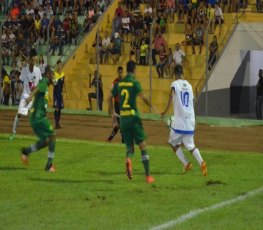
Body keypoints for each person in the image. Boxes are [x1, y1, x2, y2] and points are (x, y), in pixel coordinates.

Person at [108, 61, 155, 183]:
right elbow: (143, 97)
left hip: (123, 120)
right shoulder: (134, 83)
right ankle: (148, 176)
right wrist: (152, 106)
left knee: (130, 148)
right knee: (142, 146)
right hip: (133, 119)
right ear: (134, 70)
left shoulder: (119, 83)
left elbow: (109, 97)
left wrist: (112, 113)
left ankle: (128, 160)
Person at [161, 65, 207, 176]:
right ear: (182, 73)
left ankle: (186, 164)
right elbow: (191, 103)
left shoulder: (175, 84)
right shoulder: (190, 86)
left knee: (172, 143)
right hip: (190, 120)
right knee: (191, 146)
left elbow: (171, 95)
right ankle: (202, 163)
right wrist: (194, 119)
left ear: (175, 74)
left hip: (180, 122)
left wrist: (165, 111)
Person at [21, 65, 57, 172]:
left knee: (46, 141)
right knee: (53, 136)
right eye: (52, 74)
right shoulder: (44, 82)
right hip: (38, 116)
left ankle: (26, 151)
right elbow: (37, 88)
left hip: (36, 117)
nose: (53, 77)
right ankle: (49, 165)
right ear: (47, 74)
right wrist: (30, 96)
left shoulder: (46, 84)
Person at [10, 49, 42, 140]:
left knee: (37, 116)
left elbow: (39, 84)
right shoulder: (25, 69)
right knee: (19, 114)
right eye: (33, 60)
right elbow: (21, 79)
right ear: (30, 60)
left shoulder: (38, 70)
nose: (34, 62)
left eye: (36, 60)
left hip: (34, 96)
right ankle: (13, 133)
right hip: (25, 96)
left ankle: (41, 134)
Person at [107, 66, 123, 141]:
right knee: (120, 123)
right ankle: (123, 139)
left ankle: (110, 137)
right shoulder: (115, 82)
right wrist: (109, 108)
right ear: (117, 72)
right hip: (117, 104)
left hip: (123, 105)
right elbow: (111, 95)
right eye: (119, 72)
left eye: (121, 72)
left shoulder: (125, 81)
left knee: (119, 124)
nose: (120, 74)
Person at [53, 60, 65, 129]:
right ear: (57, 66)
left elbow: (62, 85)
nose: (60, 66)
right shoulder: (54, 74)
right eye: (59, 65)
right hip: (55, 94)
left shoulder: (63, 74)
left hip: (60, 93)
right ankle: (56, 123)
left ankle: (58, 123)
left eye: (61, 65)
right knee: (56, 108)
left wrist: (62, 92)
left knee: (60, 109)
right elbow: (54, 84)